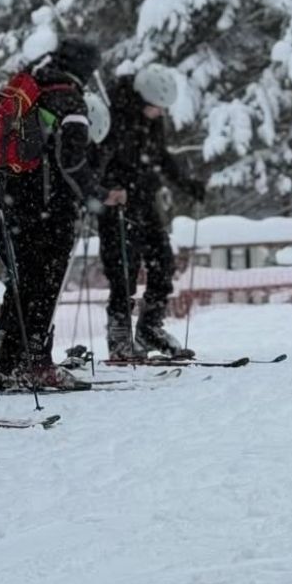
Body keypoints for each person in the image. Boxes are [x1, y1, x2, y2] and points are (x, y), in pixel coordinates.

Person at [0, 38, 103, 392]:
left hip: (14, 203)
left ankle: (7, 360)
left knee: (22, 283)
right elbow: (72, 160)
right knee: (43, 287)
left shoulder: (32, 86)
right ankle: (36, 364)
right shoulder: (70, 99)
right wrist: (99, 195)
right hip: (49, 208)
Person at [98, 64, 207, 361]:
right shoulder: (114, 115)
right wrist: (106, 188)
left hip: (144, 199)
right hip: (116, 202)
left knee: (163, 262)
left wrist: (185, 183)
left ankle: (150, 328)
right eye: (156, 108)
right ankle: (119, 336)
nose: (160, 113)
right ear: (141, 100)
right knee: (123, 269)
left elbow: (160, 155)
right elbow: (96, 157)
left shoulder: (151, 120)